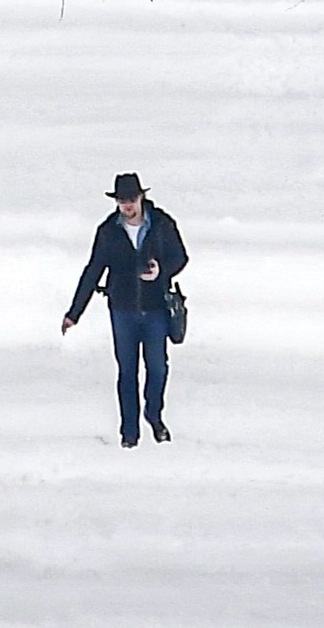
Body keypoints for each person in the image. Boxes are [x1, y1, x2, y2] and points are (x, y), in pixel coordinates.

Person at [62, 171, 188, 446]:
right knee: (126, 371)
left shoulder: (162, 224)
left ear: (142, 197)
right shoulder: (108, 231)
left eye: (131, 199)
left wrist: (161, 271)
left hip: (156, 308)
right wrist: (74, 312)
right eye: (122, 200)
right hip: (123, 309)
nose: (127, 205)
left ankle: (154, 415)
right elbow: (93, 270)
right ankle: (129, 431)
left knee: (158, 368)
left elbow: (181, 256)